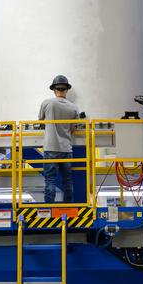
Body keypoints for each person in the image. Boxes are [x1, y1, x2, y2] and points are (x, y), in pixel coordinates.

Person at [38, 75, 82, 205]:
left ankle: (49, 207)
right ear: (67, 90)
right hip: (66, 149)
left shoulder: (47, 103)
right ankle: (68, 207)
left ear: (54, 89)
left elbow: (41, 121)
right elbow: (73, 129)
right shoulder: (74, 108)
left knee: (50, 180)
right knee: (67, 181)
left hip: (50, 148)